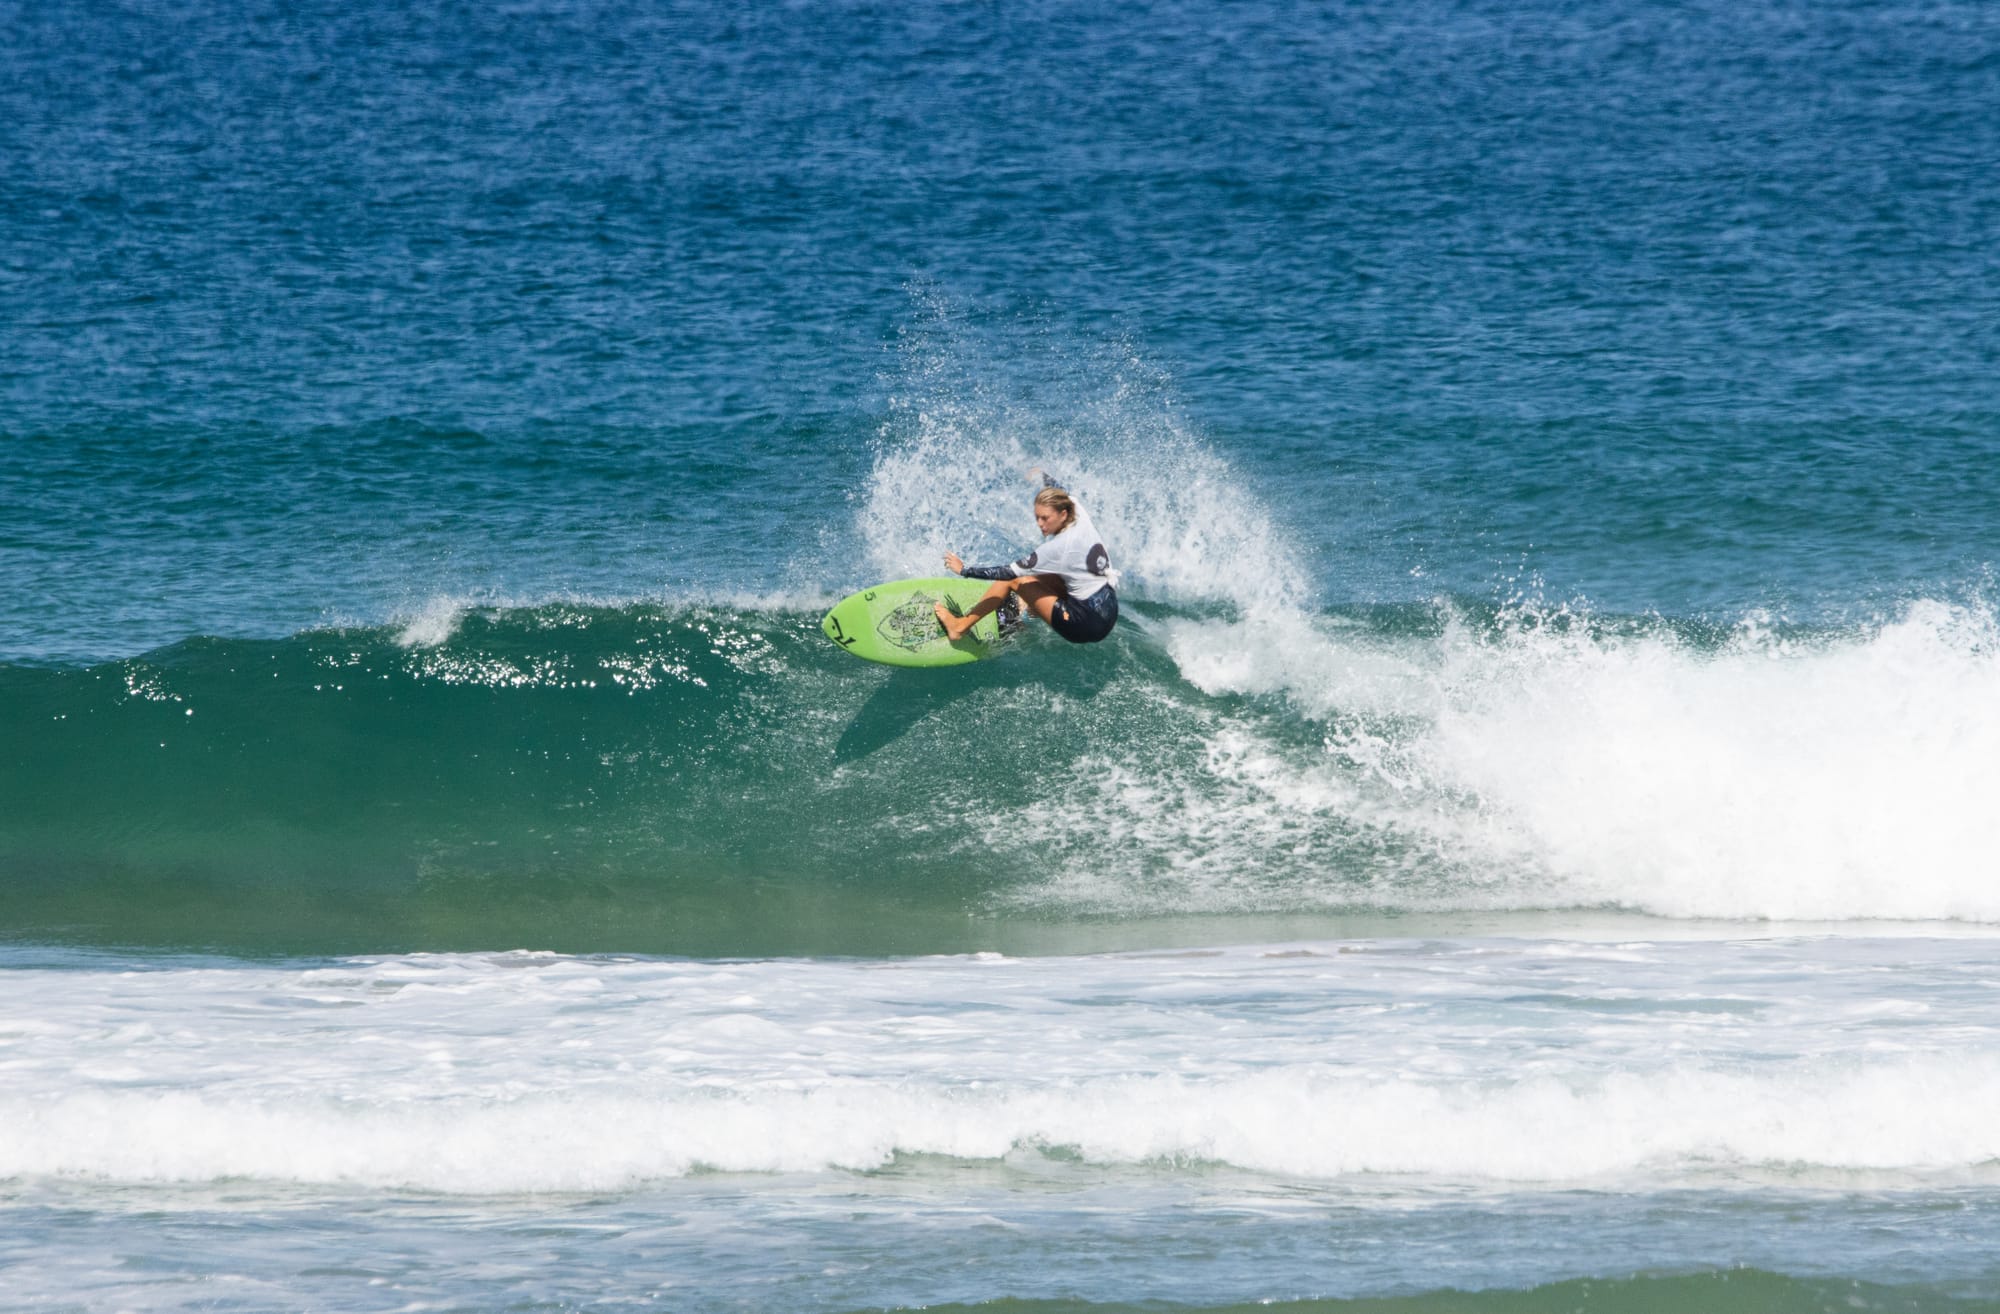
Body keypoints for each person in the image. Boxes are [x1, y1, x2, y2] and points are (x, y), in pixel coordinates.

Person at [937, 470, 1119, 644]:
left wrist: (964, 570)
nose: (1040, 524)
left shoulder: (1059, 547)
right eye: (1037, 517)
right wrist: (1042, 476)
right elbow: (1061, 491)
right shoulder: (1077, 511)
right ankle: (1030, 604)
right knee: (1050, 575)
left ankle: (959, 627)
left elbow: (1007, 573)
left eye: (1045, 518)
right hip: (1108, 610)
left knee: (1015, 580)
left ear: (1063, 514)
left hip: (1083, 625)